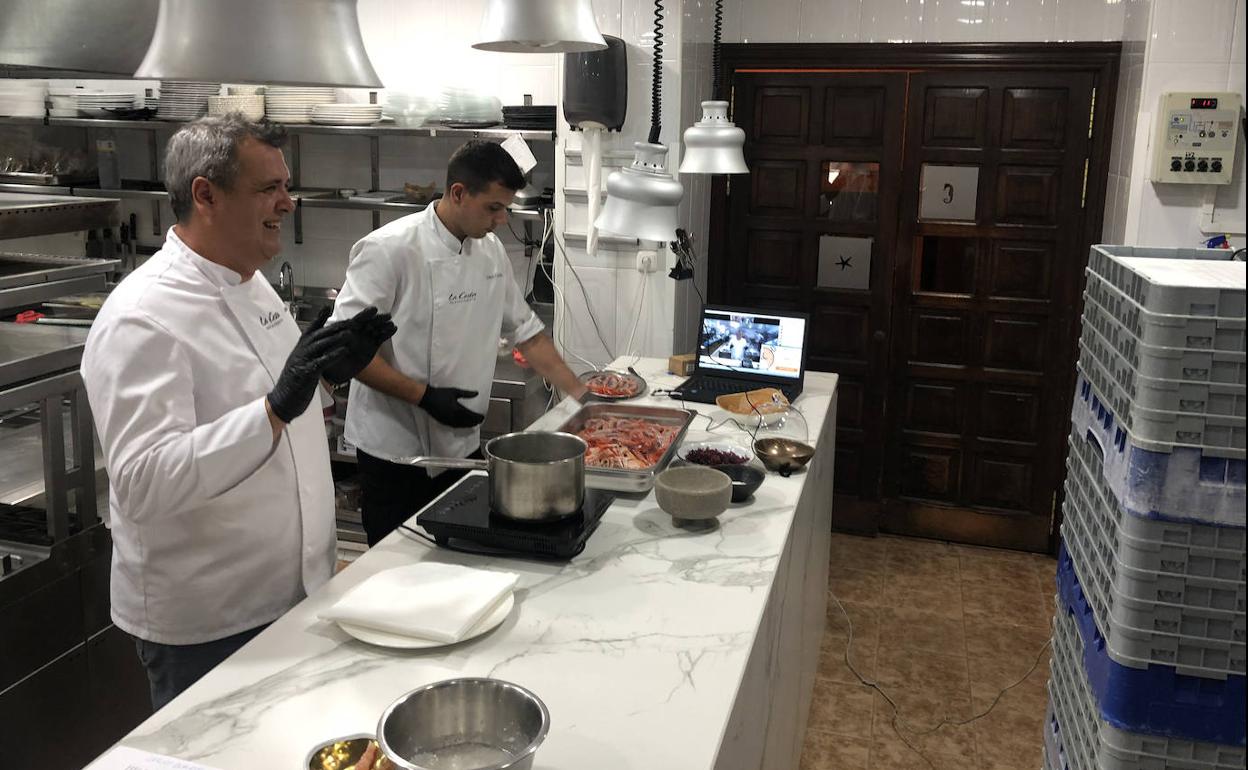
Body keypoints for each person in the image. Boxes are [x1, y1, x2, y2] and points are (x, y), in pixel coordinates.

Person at [80, 114, 395, 710]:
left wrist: (327, 379)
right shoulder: (141, 317)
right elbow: (145, 481)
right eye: (269, 188)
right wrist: (273, 410)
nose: (289, 201)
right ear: (206, 195)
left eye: (287, 185)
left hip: (295, 594)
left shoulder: (250, 282)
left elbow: (274, 404)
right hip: (210, 623)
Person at [331, 140, 587, 546]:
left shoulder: (490, 254)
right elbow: (344, 351)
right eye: (493, 208)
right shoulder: (389, 249)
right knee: (397, 566)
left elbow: (529, 334)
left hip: (461, 444)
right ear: (458, 193)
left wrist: (582, 400)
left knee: (457, 555)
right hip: (396, 452)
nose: (502, 220)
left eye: (506, 208)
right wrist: (425, 397)